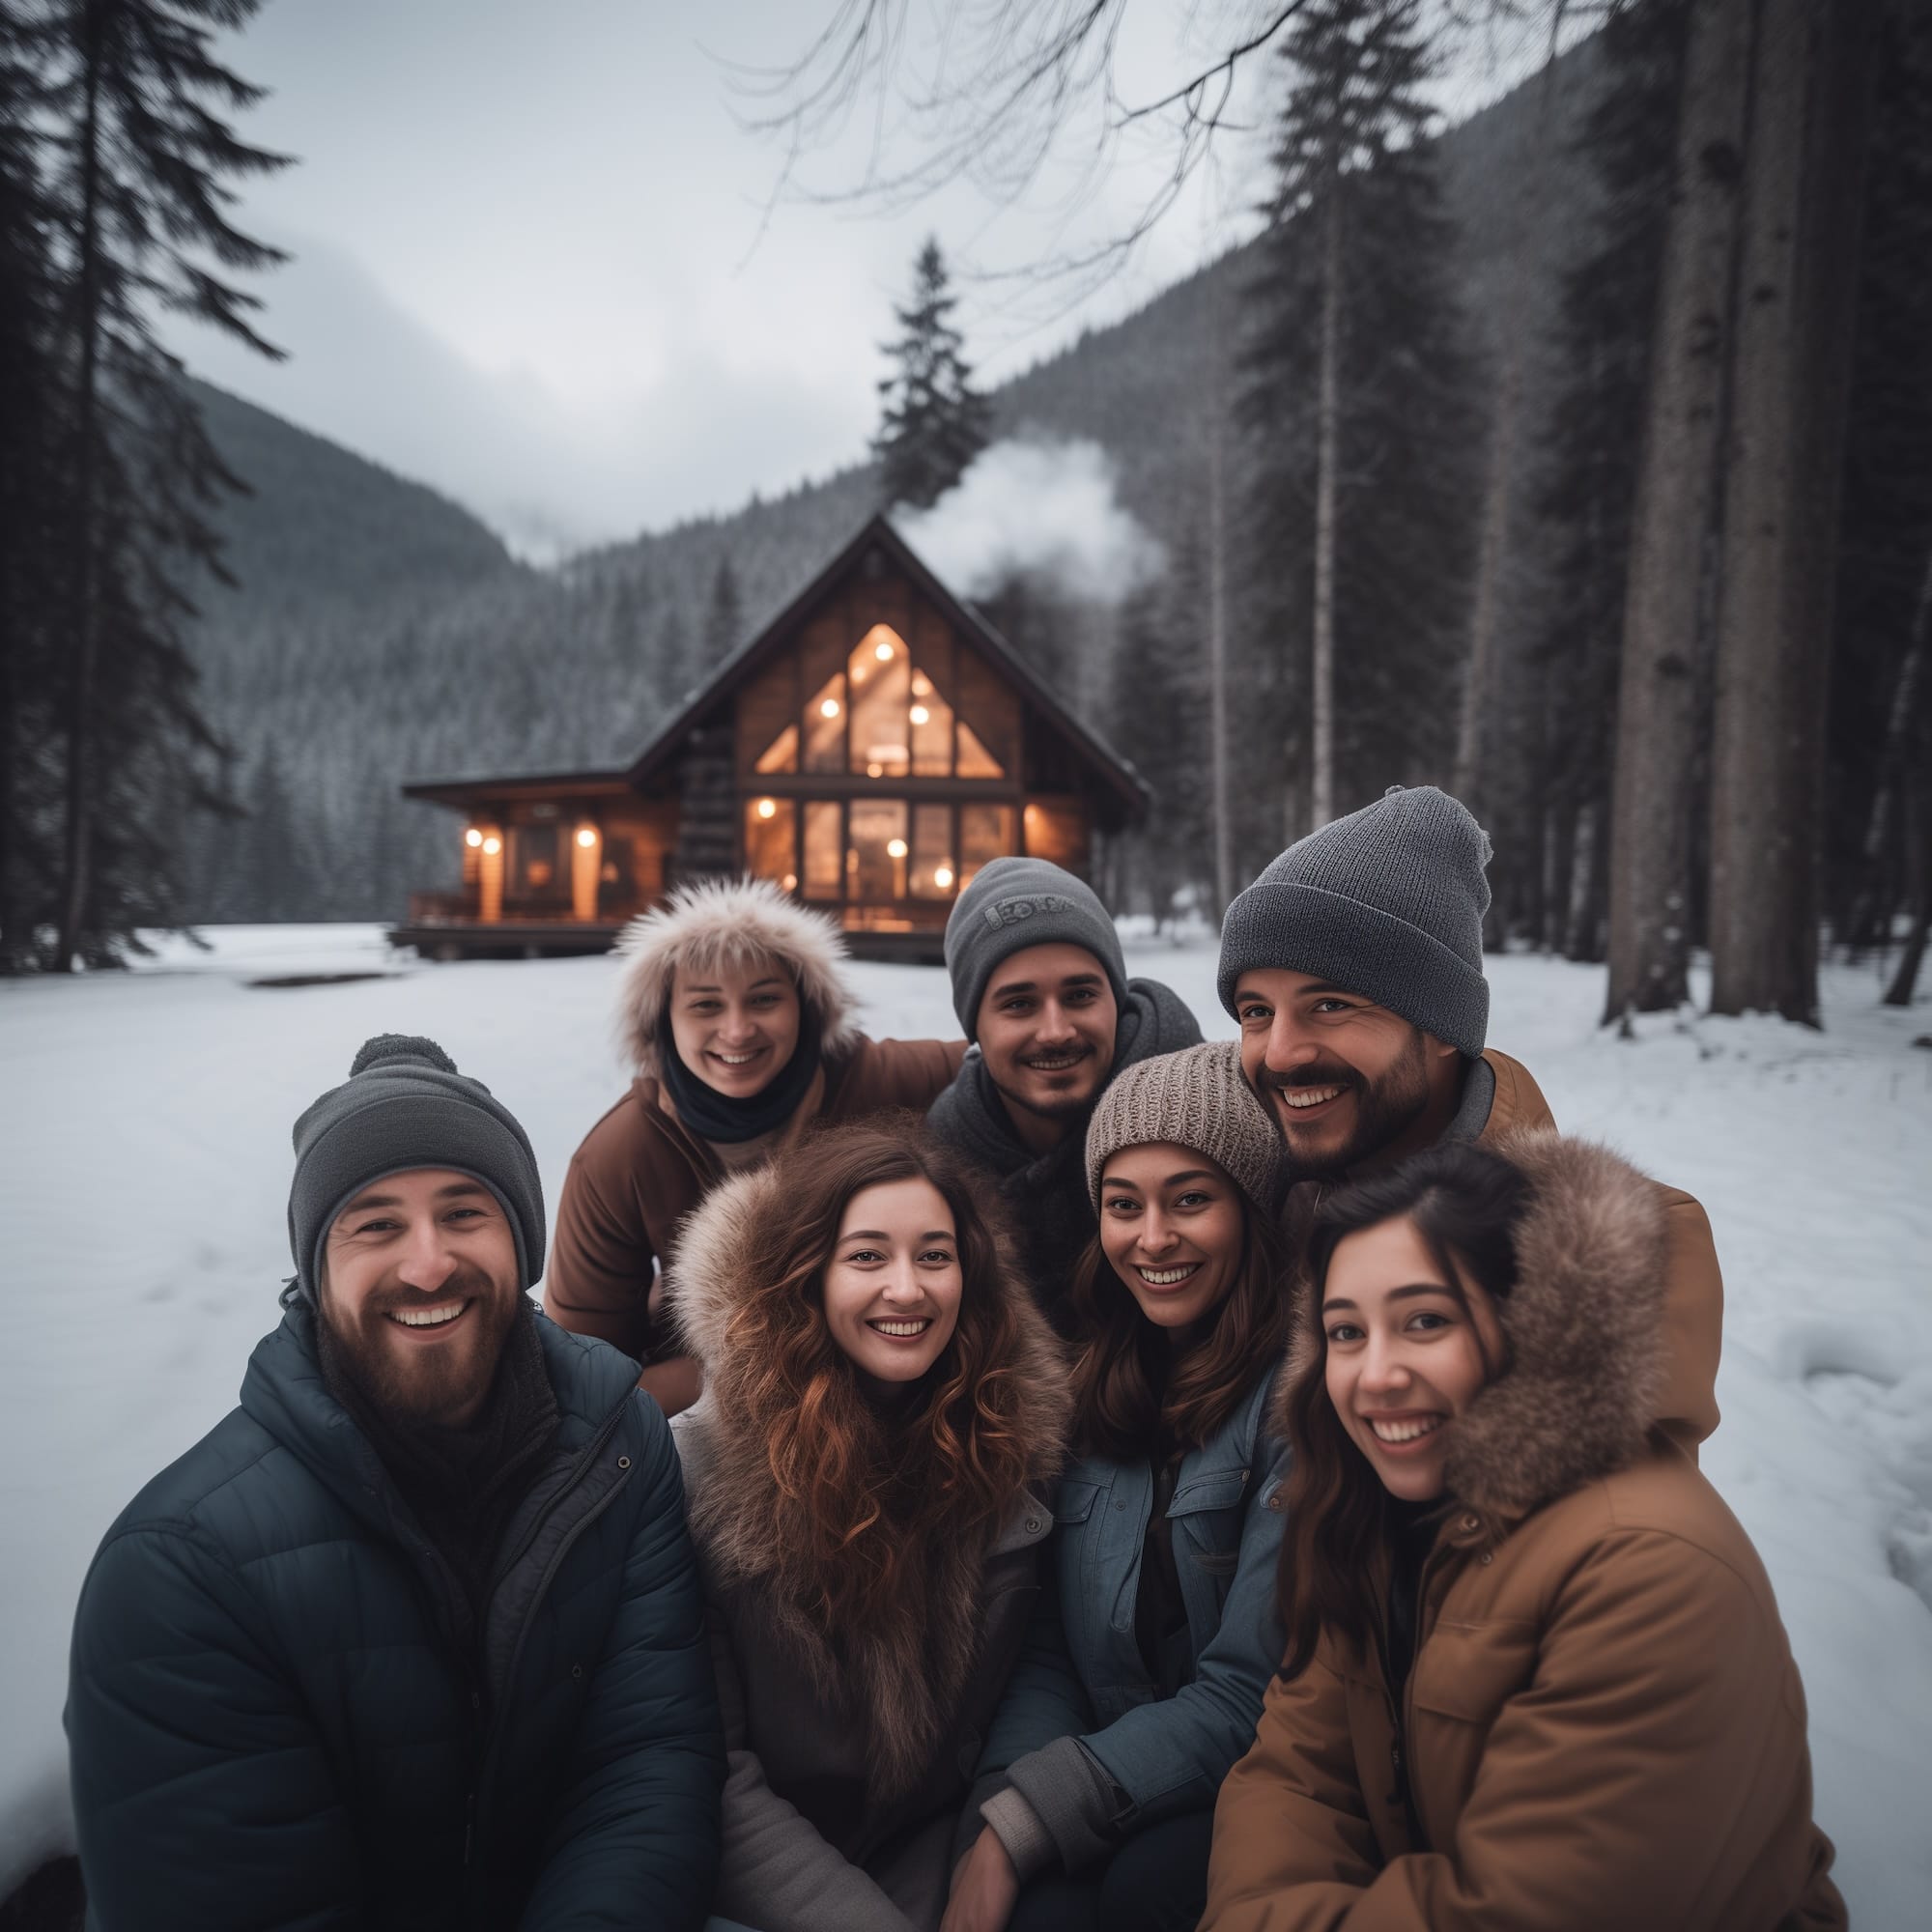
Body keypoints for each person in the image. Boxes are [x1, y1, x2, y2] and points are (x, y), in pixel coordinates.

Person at [65, 1035, 724, 1930]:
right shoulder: (183, 1571)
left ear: (522, 1242)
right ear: (316, 1269)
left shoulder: (619, 1445)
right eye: (375, 1224)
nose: (428, 1263)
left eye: (465, 1214)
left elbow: (645, 1760)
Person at [1200, 1132, 1844, 1932]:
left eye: (1425, 1321)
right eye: (1346, 1332)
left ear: (1532, 1327)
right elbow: (1293, 1777)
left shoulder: (1646, 1568)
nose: (1375, 1374)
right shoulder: (1379, 1522)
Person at [1218, 782, 1722, 1453]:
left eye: (1331, 1005)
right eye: (1256, 1012)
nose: (1280, 1052)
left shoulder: (1605, 1248)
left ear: (1442, 1026)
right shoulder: (1244, 1204)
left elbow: (1620, 1528)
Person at [667, 1121, 1069, 1932]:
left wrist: (997, 1843)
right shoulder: (698, 1472)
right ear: (803, 1277)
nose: (908, 1289)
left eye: (934, 1254)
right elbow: (710, 1769)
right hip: (759, 1887)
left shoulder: (1009, 1442)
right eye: (866, 1257)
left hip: (941, 1849)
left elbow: (1043, 1666)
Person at [945, 1040, 1293, 1932]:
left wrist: (1033, 1815)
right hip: (1103, 1778)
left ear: (1250, 1211)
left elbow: (1249, 1688)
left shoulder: (1295, 1400)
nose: (1153, 1238)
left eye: (1191, 1200)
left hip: (1249, 1785)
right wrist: (1001, 1811)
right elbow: (1053, 1649)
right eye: (1122, 1205)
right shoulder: (1091, 1386)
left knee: (1147, 1889)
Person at [546, 876, 965, 1416]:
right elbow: (582, 1381)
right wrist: (764, 1359)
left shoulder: (877, 1079)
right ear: (663, 1021)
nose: (738, 1030)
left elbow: (1007, 1055)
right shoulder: (621, 1155)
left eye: (764, 999)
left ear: (806, 1007)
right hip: (722, 1413)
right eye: (705, 1006)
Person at [925, 857, 1202, 1331]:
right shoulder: (948, 1158)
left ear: (1115, 1002)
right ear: (975, 1028)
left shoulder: (1206, 1113)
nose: (1055, 1031)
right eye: (1019, 1004)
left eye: (1079, 996)